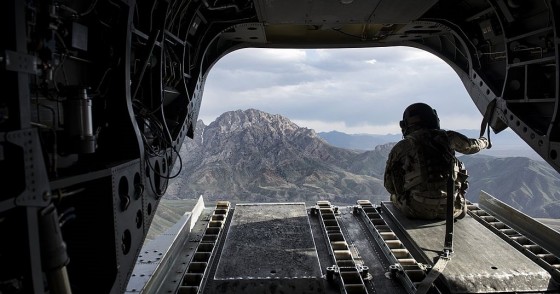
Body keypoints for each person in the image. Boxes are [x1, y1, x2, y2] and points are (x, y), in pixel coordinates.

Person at [384, 102, 489, 220]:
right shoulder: (448, 137)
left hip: (415, 209)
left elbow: (389, 186)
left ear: (406, 125)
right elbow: (471, 146)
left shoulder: (401, 147)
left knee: (394, 197)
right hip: (452, 209)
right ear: (433, 119)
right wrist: (485, 141)